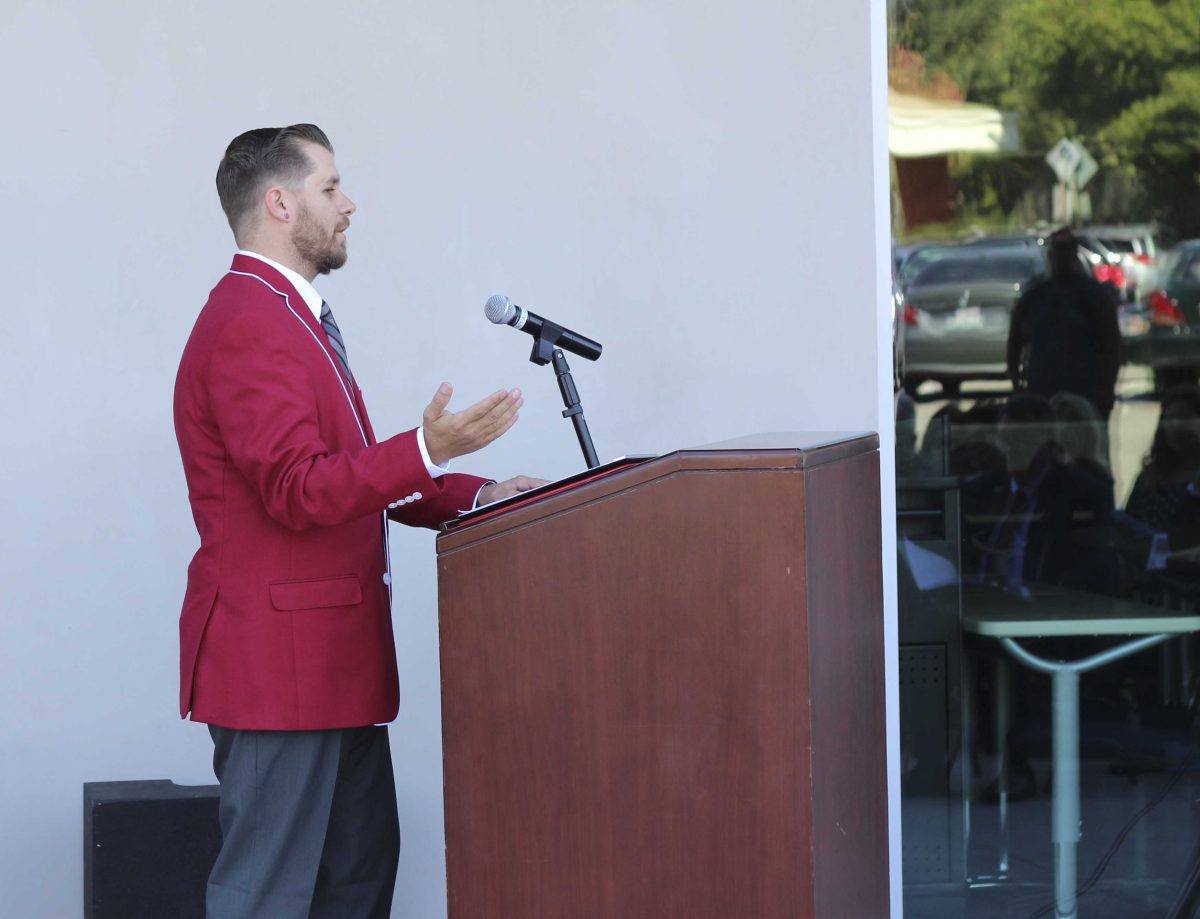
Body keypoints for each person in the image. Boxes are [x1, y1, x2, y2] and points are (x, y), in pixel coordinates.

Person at [174, 124, 544, 918]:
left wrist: (476, 492)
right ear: (280, 201)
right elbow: (297, 489)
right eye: (331, 187)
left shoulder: (290, 315)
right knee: (266, 899)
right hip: (281, 674)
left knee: (354, 889)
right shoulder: (250, 319)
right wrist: (423, 448)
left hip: (330, 671)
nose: (350, 205)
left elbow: (349, 477)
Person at [1006, 227, 1122, 420]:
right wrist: (1018, 388)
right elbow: (1014, 345)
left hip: (1087, 399)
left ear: (1074, 255)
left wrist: (1106, 392)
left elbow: (1111, 348)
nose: (1061, 258)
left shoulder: (1094, 297)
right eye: (1057, 251)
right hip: (1042, 399)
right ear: (1050, 256)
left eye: (1066, 251)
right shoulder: (1034, 297)